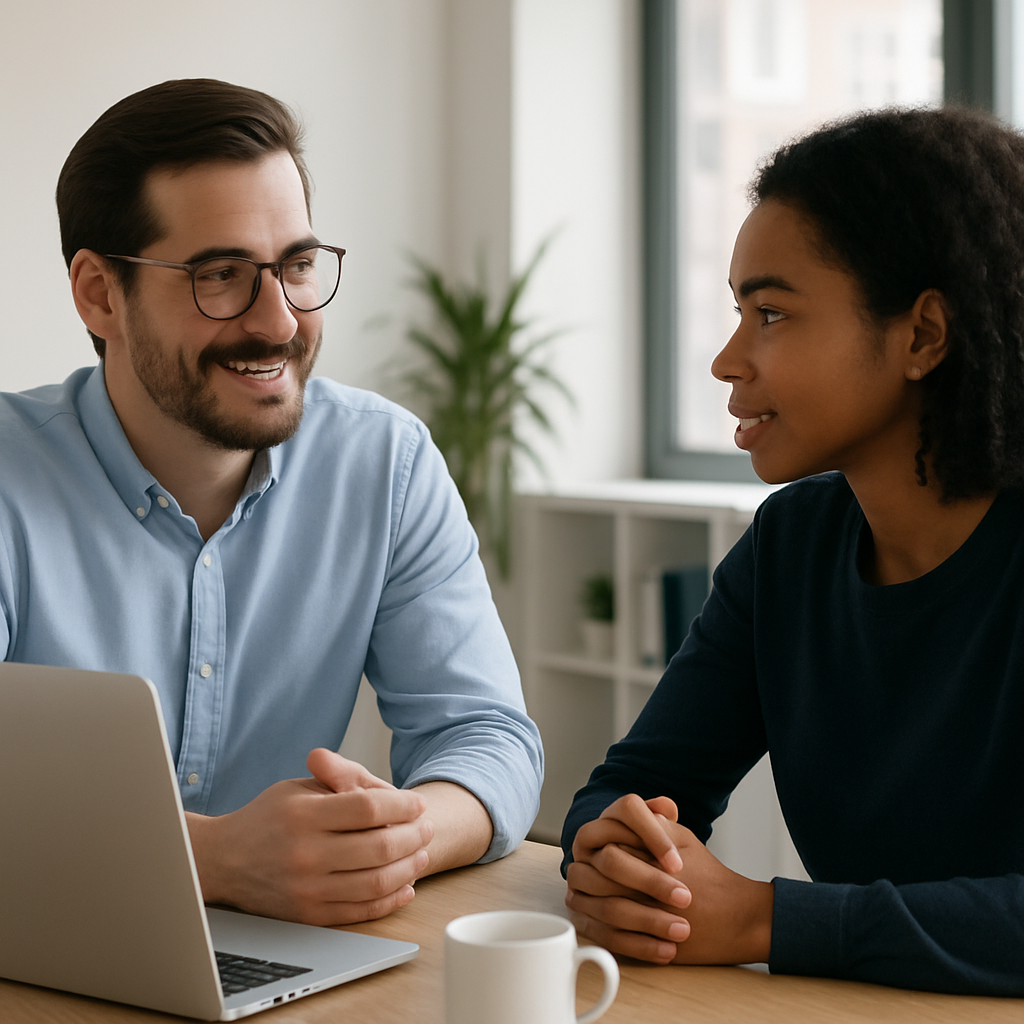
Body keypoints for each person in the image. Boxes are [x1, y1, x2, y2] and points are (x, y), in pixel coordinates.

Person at [0, 78, 542, 927]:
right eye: (221, 275)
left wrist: (387, 840)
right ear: (100, 294)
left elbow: (488, 737)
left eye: (295, 266)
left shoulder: (385, 462)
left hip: (289, 962)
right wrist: (212, 860)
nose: (281, 322)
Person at [560, 106, 1024, 996]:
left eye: (770, 313)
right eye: (738, 312)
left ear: (923, 335)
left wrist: (765, 917)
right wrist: (619, 855)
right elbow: (640, 779)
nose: (727, 361)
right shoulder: (791, 545)